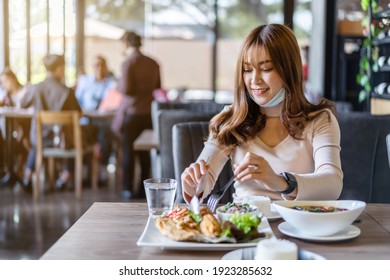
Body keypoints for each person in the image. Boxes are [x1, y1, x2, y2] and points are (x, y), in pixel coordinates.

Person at [181, 24, 343, 204]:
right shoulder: (232, 118)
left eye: (266, 68)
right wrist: (192, 184)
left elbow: (332, 183)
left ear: (289, 70)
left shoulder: (320, 120)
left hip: (299, 227)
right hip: (244, 227)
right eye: (247, 69)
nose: (254, 80)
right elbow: (204, 181)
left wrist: (280, 182)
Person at [23, 54, 85, 191]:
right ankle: (64, 177)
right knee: (78, 139)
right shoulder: (67, 91)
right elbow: (78, 114)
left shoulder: (35, 88)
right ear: (59, 69)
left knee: (36, 144)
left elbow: (22, 104)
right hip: (60, 141)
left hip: (40, 139)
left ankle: (27, 176)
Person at [112, 31, 161, 200]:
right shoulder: (153, 63)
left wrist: (117, 86)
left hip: (132, 112)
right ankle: (142, 188)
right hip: (148, 112)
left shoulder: (128, 63)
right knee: (145, 152)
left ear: (126, 44)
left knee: (128, 152)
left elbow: (126, 89)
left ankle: (127, 189)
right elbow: (158, 86)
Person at [75, 55, 116, 183]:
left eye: (102, 65)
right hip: (87, 119)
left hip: (104, 120)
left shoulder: (112, 83)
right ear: (92, 67)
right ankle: (87, 169)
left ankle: (102, 167)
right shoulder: (84, 81)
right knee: (83, 134)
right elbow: (77, 101)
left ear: (106, 67)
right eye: (96, 65)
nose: (99, 68)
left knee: (105, 133)